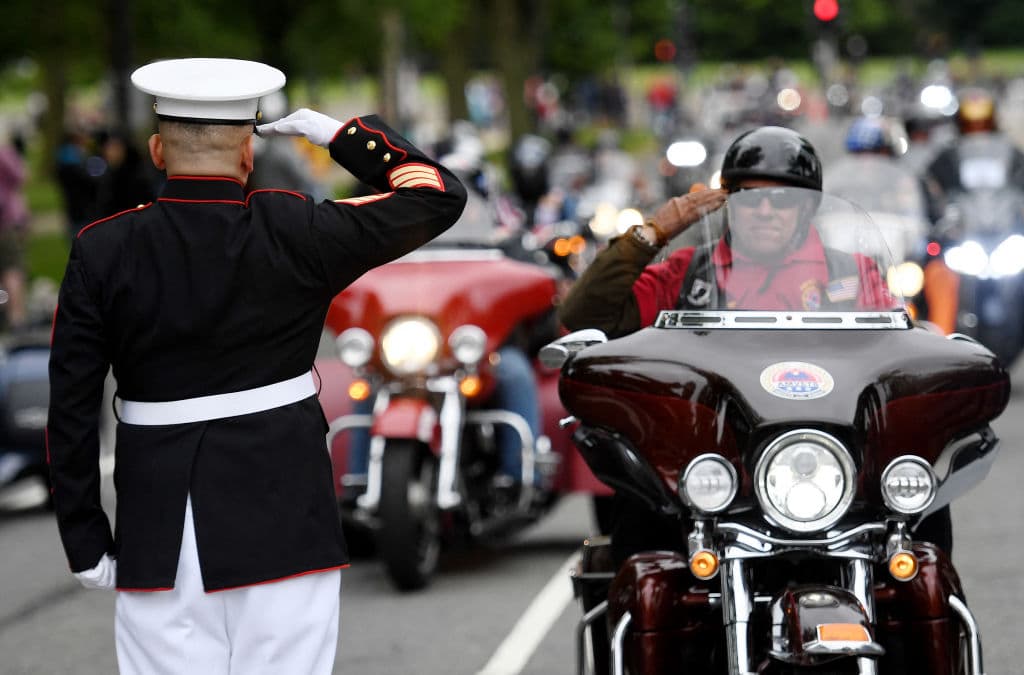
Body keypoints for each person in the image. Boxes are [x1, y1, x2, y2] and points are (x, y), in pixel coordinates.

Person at [46, 58, 466, 675]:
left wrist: (84, 537)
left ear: (158, 150)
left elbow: (72, 408)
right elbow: (436, 195)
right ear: (248, 154)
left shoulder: (103, 247)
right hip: (284, 510)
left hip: (158, 527)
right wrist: (340, 135)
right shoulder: (296, 227)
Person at [558, 125, 949, 563]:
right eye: (747, 196)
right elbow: (584, 315)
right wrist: (654, 231)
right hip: (713, 467)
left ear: (807, 208)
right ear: (727, 203)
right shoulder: (690, 273)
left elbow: (894, 356)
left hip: (831, 458)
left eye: (782, 199)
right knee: (639, 510)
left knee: (921, 497)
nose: (764, 210)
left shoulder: (852, 275)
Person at [0, 128, 30, 328]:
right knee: (12, 267)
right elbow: (21, 176)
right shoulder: (3, 153)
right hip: (5, 220)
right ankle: (16, 316)